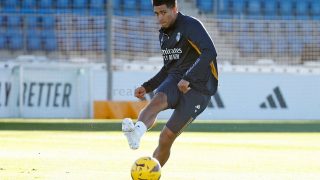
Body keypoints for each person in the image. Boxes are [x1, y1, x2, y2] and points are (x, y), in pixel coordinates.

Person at [122, 0, 218, 167]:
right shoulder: (163, 34)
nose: (160, 18)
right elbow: (168, 68)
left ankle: (152, 171)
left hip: (200, 88)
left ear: (175, 9)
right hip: (176, 78)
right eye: (156, 14)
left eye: (164, 12)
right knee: (157, 99)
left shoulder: (191, 25)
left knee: (165, 137)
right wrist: (148, 86)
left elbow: (210, 52)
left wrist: (188, 77)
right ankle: (136, 134)